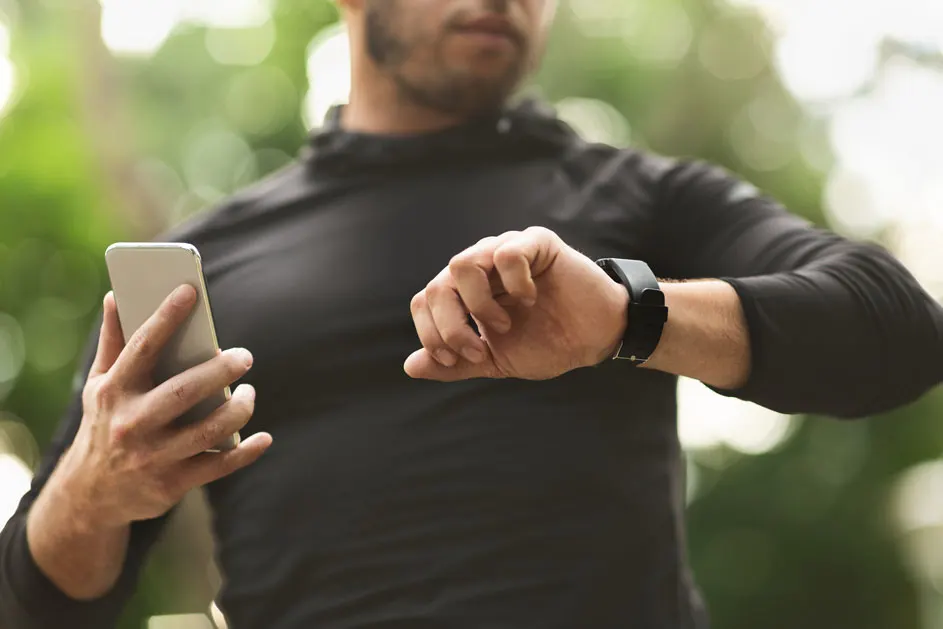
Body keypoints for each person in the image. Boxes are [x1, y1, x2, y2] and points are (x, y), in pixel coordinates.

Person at [2, 0, 942, 627]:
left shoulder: (641, 196)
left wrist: (629, 318)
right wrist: (94, 488)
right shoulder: (204, 261)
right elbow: (32, 599)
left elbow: (896, 331)